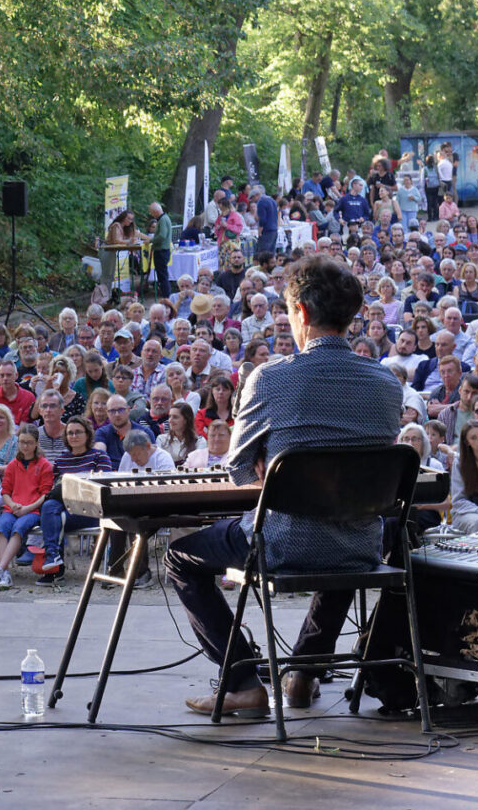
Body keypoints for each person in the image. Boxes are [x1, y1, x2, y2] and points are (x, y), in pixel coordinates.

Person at [168, 254, 402, 718]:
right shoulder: (386, 385)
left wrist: (270, 466)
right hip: (362, 545)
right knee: (342, 537)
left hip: (282, 543)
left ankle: (242, 682)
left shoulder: (269, 378)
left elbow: (237, 469)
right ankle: (302, 676)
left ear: (302, 314)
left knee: (180, 558)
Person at [35, 417, 113, 585]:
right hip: (64, 505)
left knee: (57, 517)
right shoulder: (61, 460)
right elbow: (54, 489)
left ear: (87, 434)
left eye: (78, 432)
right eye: (70, 432)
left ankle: (55, 567)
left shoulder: (99, 456)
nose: (73, 436)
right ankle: (53, 558)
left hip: (91, 509)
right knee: (49, 506)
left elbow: (104, 486)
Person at [0, 425, 53, 589]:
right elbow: (6, 491)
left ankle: (0, 569)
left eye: (29, 443)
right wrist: (12, 504)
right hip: (13, 507)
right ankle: (6, 573)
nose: (25, 446)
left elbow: (45, 493)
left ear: (36, 443)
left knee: (19, 527)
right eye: (22, 442)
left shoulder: (44, 465)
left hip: (33, 509)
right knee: (3, 526)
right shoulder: (13, 465)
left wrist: (27, 508)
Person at [0, 358, 36, 423]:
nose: (5, 378)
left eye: (9, 375)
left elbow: (25, 424)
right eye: (2, 375)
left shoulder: (28, 397)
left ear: (16, 375)